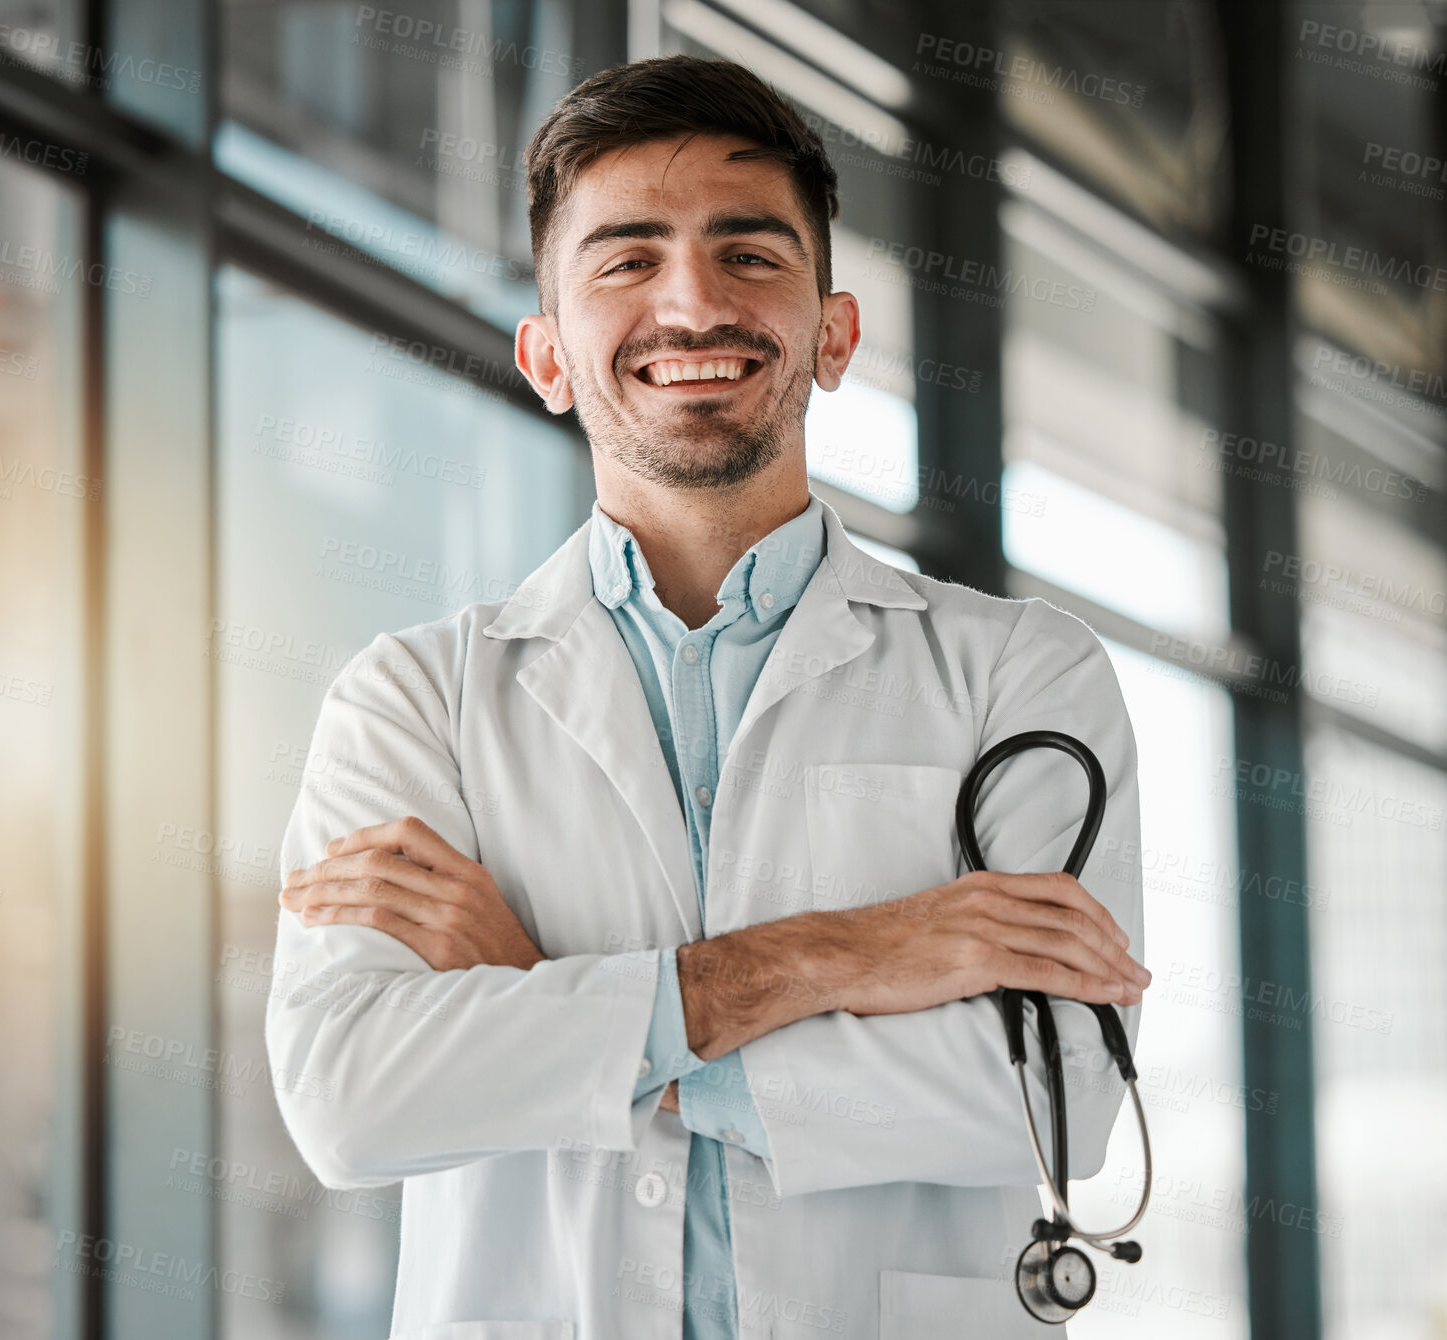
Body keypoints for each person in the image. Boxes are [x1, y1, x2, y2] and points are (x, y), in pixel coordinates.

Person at [268, 53, 1151, 1340]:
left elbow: (1055, 1096)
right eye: (625, 260)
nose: (691, 302)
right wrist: (844, 953)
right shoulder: (415, 698)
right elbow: (354, 1099)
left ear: (832, 333)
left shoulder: (1020, 671)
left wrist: (556, 999)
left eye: (749, 254)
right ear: (547, 354)